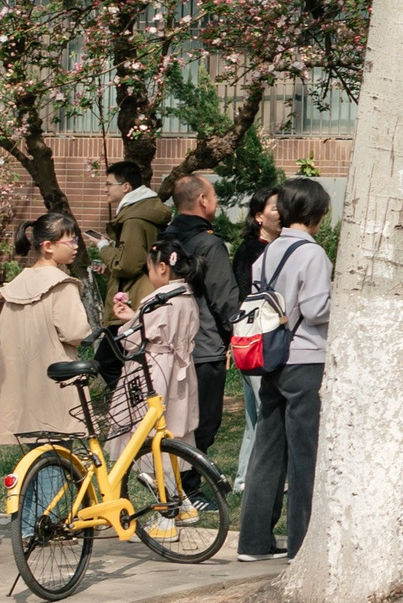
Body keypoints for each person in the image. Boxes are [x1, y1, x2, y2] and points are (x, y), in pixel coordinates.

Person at [236, 176, 332, 562]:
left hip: (270, 358)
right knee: (306, 454)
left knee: (267, 450)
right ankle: (302, 544)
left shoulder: (269, 252)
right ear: (315, 214)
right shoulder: (313, 255)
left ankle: (253, 543)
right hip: (306, 359)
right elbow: (316, 309)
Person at [161, 173, 239, 471]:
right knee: (203, 421)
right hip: (203, 345)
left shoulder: (163, 240)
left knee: (173, 420)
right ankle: (190, 487)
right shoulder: (208, 244)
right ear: (203, 200)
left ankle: (170, 484)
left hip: (167, 343)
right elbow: (225, 299)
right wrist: (239, 333)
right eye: (215, 197)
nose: (216, 202)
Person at [2, 215, 93, 458]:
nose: (76, 246)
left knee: (32, 463)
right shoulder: (62, 284)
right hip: (56, 385)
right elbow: (76, 332)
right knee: (56, 462)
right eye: (71, 241)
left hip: (22, 388)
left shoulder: (16, 285)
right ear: (48, 246)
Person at [104, 239, 200, 442]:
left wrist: (132, 321)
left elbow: (131, 341)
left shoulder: (158, 300)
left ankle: (148, 469)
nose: (149, 275)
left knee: (144, 425)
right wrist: (135, 316)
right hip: (180, 368)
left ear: (162, 268)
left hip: (153, 368)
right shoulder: (187, 296)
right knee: (173, 422)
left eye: (150, 269)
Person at [228, 186, 282, 491]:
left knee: (256, 415)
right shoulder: (252, 250)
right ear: (259, 216)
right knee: (266, 410)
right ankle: (262, 478)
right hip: (257, 340)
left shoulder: (280, 247)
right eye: (275, 208)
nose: (282, 212)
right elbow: (247, 296)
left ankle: (244, 479)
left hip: (260, 340)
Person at [96, 159, 171, 300]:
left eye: (109, 184)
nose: (105, 189)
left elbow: (127, 266)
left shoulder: (133, 220)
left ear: (126, 187)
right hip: (146, 293)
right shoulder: (145, 211)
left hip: (134, 299)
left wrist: (103, 247)